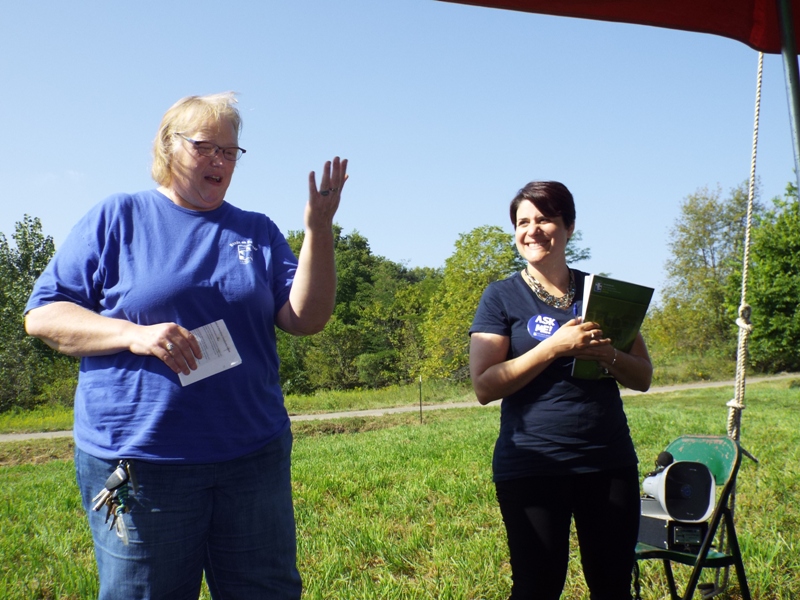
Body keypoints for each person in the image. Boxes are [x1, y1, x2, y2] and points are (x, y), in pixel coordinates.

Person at [24, 92, 347, 600]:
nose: (219, 160)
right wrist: (134, 335)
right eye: (204, 147)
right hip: (143, 461)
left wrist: (318, 230)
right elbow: (43, 316)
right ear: (167, 146)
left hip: (252, 457)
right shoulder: (119, 216)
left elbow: (306, 318)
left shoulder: (257, 230)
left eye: (230, 151)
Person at [469, 181, 652, 600]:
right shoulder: (501, 297)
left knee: (613, 588)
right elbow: (484, 386)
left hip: (608, 462)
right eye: (522, 222)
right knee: (537, 588)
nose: (531, 231)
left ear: (568, 227)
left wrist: (608, 355)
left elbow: (642, 377)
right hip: (533, 464)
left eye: (544, 220)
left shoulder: (601, 294)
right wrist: (553, 348)